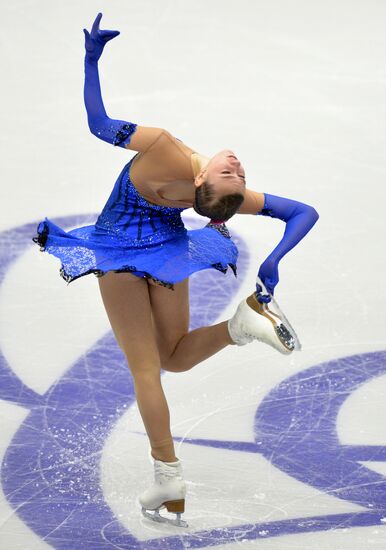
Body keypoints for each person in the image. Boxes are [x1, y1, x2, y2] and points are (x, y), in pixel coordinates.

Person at [32, 13, 319, 527]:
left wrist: (90, 60)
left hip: (119, 254)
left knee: (151, 368)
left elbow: (99, 124)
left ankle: (168, 478)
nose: (238, 166)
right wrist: (273, 260)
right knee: (175, 359)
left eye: (235, 172)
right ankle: (242, 324)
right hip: (166, 253)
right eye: (237, 172)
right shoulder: (224, 197)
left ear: (206, 182)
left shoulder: (166, 148)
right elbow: (302, 212)